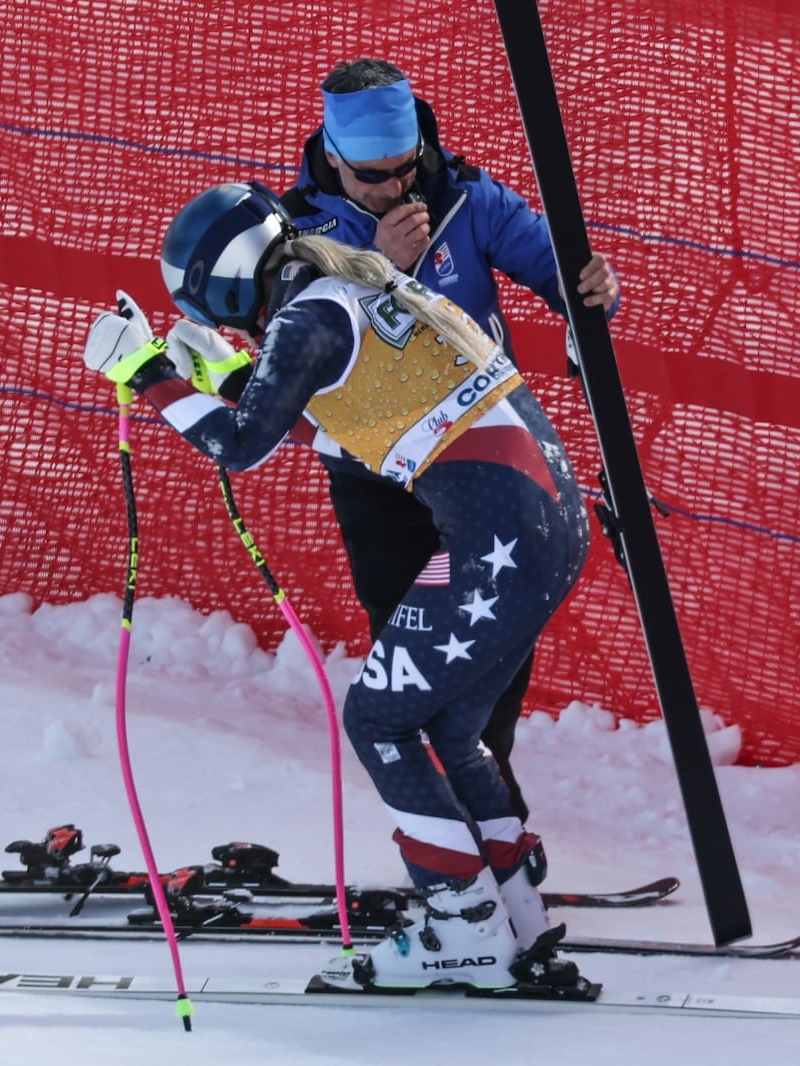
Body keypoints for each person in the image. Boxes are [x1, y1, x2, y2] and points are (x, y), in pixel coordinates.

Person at [78, 181, 590, 992]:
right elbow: (361, 432)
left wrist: (147, 374)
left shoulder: (308, 318)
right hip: (544, 525)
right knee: (453, 729)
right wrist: (232, 380)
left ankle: (464, 928)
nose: (220, 327)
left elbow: (241, 449)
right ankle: (517, 913)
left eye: (210, 310)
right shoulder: (348, 285)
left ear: (227, 284)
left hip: (502, 537)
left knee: (379, 717)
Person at [279, 59, 621, 824]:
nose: (396, 188)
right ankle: (463, 834)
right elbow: (290, 350)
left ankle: (487, 827)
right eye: (373, 176)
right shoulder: (296, 229)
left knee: (492, 656)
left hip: (486, 466)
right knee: (417, 663)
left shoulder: (465, 196)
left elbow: (559, 268)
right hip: (382, 477)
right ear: (331, 155)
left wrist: (592, 286)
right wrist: (380, 267)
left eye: (407, 168)